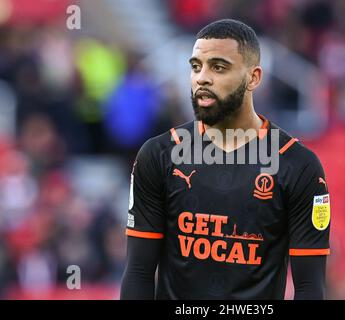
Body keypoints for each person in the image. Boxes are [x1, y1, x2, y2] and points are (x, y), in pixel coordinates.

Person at [120, 19, 331, 300]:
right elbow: (138, 272)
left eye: (218, 67)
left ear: (253, 78)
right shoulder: (158, 156)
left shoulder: (298, 165)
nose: (202, 78)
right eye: (196, 67)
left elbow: (309, 287)